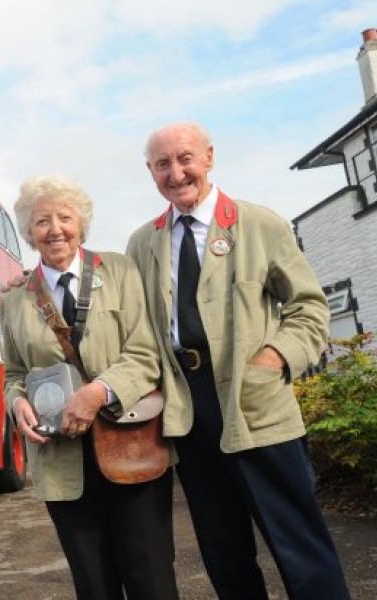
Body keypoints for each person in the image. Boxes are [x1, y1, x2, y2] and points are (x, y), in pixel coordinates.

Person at [125, 122, 351, 600]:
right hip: (187, 409)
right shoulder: (143, 244)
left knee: (298, 544)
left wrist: (275, 358)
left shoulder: (259, 223)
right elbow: (116, 310)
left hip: (255, 397)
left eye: (185, 158)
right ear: (151, 172)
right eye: (163, 164)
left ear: (208, 156)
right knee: (222, 549)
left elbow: (310, 307)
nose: (177, 172)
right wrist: (33, 285)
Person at [2, 173, 179, 600]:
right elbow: (12, 373)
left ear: (81, 223)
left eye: (65, 217)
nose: (55, 229)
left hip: (131, 444)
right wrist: (17, 404)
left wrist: (96, 393)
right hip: (60, 457)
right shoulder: (14, 298)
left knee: (150, 574)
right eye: (42, 221)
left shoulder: (118, 270)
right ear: (29, 232)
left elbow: (145, 354)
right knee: (92, 581)